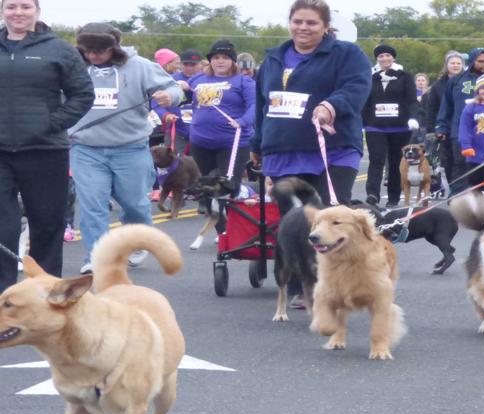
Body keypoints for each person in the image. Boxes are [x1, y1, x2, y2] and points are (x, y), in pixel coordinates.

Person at [0, 0, 93, 310]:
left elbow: (83, 93)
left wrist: (52, 123)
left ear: (37, 12)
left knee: (46, 222)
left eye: (26, 7)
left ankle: (46, 286)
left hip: (45, 149)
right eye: (11, 7)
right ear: (2, 12)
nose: (18, 13)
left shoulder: (59, 49)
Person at [69, 23, 183, 275]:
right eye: (87, 50)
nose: (93, 55)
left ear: (114, 47)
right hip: (86, 148)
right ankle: (96, 258)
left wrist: (169, 96)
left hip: (130, 148)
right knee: (93, 206)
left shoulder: (140, 65)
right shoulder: (72, 66)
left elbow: (175, 88)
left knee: (134, 204)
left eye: (100, 50)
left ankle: (137, 239)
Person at [254, 0, 370, 205]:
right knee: (293, 224)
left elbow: (356, 87)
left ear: (326, 26)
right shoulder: (272, 59)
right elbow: (262, 105)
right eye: (297, 22)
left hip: (333, 151)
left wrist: (330, 106)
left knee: (329, 221)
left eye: (311, 23)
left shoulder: (347, 53)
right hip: (283, 152)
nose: (303, 28)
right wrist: (257, 144)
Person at [434, 48, 484, 195]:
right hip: (460, 131)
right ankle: (458, 198)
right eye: (481, 61)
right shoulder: (456, 80)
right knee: (460, 165)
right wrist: (441, 126)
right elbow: (446, 106)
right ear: (472, 61)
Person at [187, 40, 254, 188]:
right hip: (200, 141)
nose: (220, 61)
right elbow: (180, 90)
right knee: (207, 185)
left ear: (233, 61)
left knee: (227, 186)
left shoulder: (244, 81)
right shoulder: (199, 79)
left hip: (231, 142)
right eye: (216, 58)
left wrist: (243, 121)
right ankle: (211, 209)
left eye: (225, 57)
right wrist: (177, 87)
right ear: (210, 60)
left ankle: (227, 210)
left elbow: (255, 106)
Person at [363, 44, 419, 206]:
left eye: (387, 55)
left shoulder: (404, 76)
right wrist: (361, 120)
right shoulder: (370, 77)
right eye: (381, 56)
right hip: (375, 126)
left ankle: (393, 198)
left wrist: (413, 117)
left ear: (393, 58)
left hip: (399, 127)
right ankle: (372, 194)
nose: (384, 59)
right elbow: (365, 101)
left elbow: (411, 100)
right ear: (377, 59)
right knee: (376, 160)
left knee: (396, 163)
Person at [423, 51, 464, 191]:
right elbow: (431, 108)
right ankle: (453, 187)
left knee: (463, 159)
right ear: (446, 65)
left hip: (464, 126)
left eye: (459, 63)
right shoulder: (438, 85)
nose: (455, 65)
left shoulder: (468, 82)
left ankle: (465, 186)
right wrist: (431, 130)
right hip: (445, 127)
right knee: (448, 159)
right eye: (452, 63)